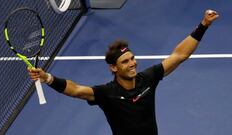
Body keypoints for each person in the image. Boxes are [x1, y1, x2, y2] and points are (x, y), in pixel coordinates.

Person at [28, 9, 219, 135]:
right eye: (125, 61)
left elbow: (179, 55)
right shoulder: (106, 93)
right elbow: (76, 90)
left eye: (132, 59)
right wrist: (48, 78)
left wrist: (203, 25)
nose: (132, 64)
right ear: (114, 68)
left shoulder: (148, 78)